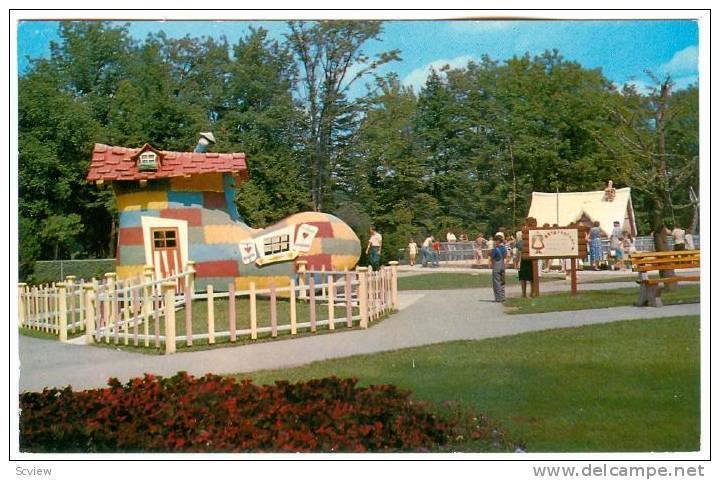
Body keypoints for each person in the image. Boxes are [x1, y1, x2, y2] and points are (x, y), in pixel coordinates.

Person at [490, 235, 507, 302]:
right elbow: (505, 256)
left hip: (497, 266)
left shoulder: (495, 249)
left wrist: (492, 264)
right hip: (502, 266)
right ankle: (503, 297)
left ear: (497, 241)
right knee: (502, 282)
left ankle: (498, 298)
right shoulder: (504, 248)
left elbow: (493, 258)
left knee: (496, 282)